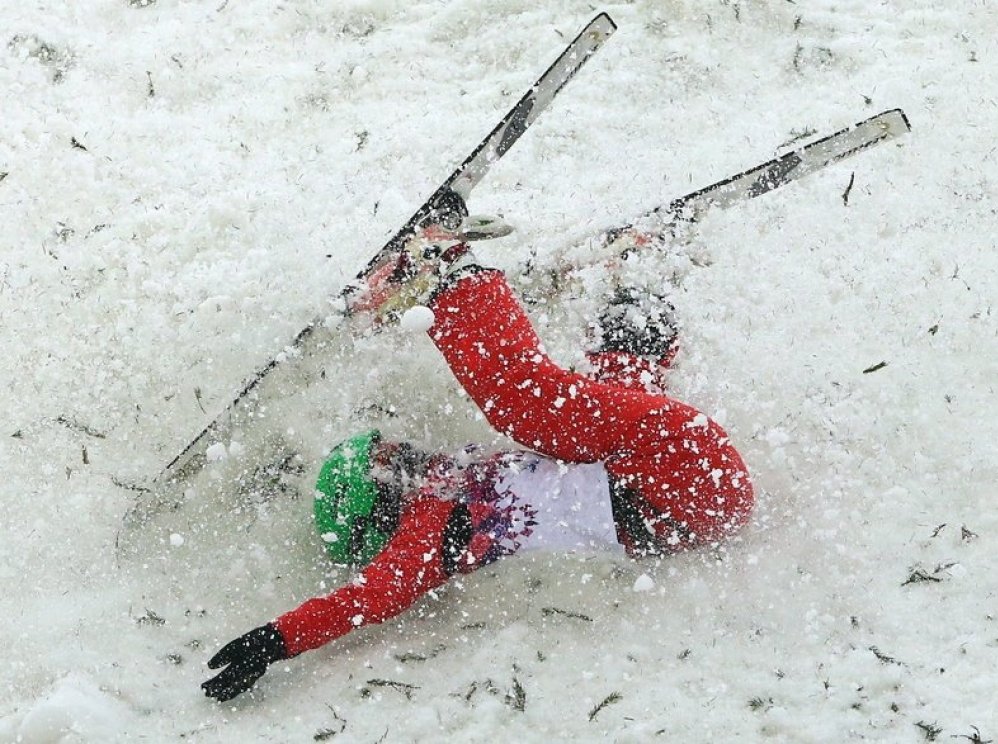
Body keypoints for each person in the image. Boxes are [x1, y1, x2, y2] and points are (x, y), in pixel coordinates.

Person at [201, 219, 754, 702]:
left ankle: (636, 299)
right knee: (526, 402)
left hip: (676, 481)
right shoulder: (432, 529)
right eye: (385, 463)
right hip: (681, 485)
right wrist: (275, 640)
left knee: (583, 411)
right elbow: (368, 598)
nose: (402, 453)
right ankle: (448, 269)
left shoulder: (449, 495)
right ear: (381, 507)